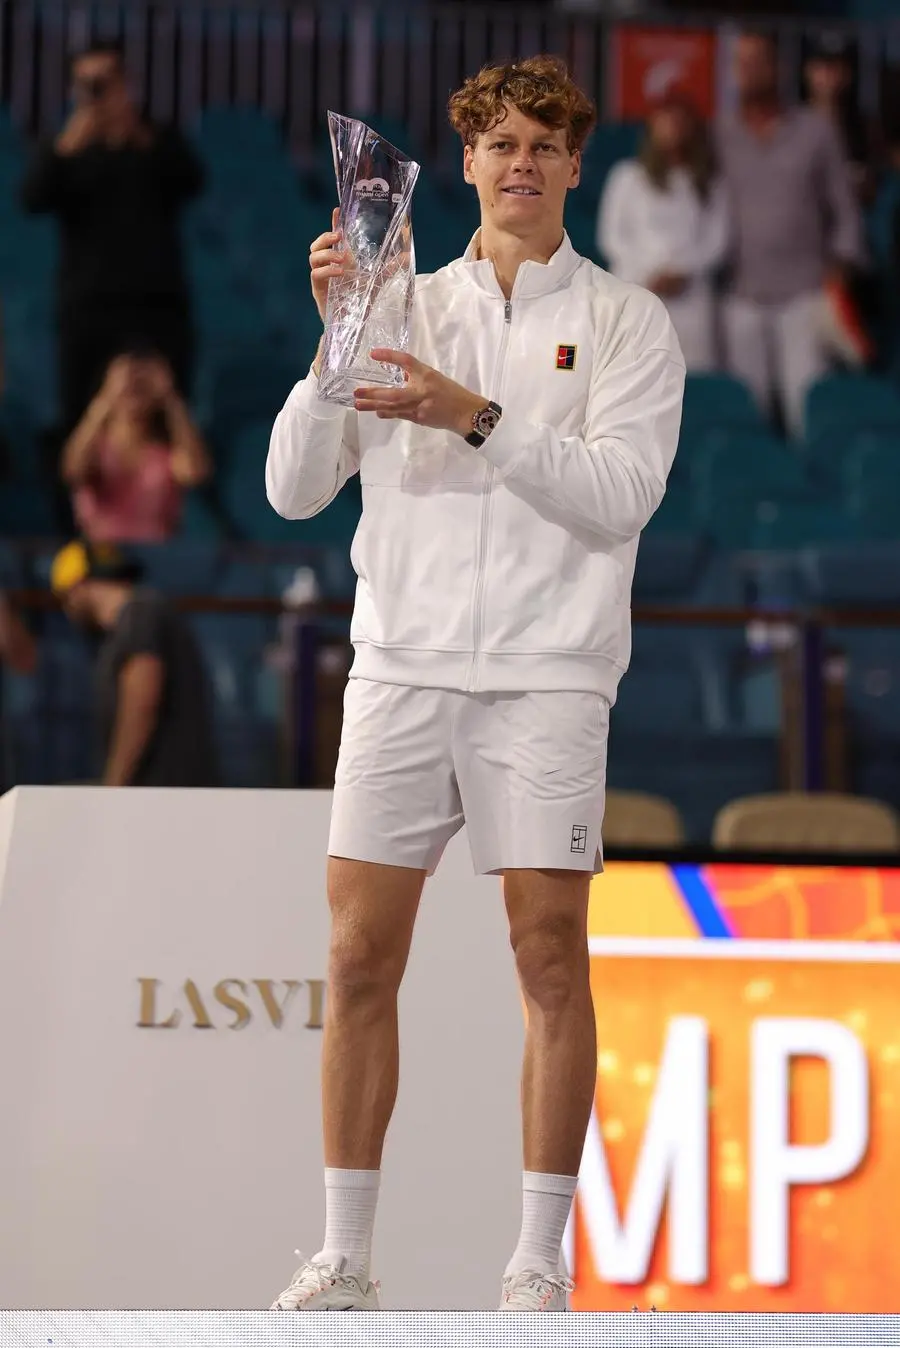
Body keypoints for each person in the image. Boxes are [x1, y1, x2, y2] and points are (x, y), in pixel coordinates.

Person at [266, 55, 685, 1312]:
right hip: (400, 666)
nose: (520, 164)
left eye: (544, 145)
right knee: (354, 961)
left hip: (550, 681)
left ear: (576, 162)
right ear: (463, 162)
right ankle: (343, 1256)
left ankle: (538, 1266)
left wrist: (475, 414)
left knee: (552, 958)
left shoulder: (627, 321)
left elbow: (622, 499)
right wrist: (333, 338)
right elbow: (292, 488)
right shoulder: (399, 299)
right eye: (498, 143)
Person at [20, 39, 204, 434]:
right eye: (88, 83)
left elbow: (194, 180)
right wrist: (67, 144)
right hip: (89, 308)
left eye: (106, 80)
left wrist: (135, 131)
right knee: (82, 420)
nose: (97, 92)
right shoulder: (68, 147)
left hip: (156, 306)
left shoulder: (154, 139)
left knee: (164, 425)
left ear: (126, 82)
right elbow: (31, 199)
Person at [716, 30, 864, 437]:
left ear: (777, 67)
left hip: (805, 294)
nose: (749, 71)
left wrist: (841, 268)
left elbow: (845, 211)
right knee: (748, 416)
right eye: (741, 63)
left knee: (807, 411)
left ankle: (815, 495)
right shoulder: (720, 135)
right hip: (741, 296)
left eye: (757, 61)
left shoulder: (815, 130)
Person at [50, 540, 219, 788]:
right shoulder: (141, 616)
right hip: (168, 792)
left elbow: (142, 696)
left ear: (78, 586)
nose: (67, 609)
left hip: (161, 793)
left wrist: (116, 782)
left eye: (64, 598)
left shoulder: (140, 613)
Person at [598, 90, 729, 371]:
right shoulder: (628, 176)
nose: (673, 129)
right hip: (638, 287)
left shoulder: (708, 182)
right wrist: (651, 273)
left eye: (681, 122)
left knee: (691, 376)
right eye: (666, 120)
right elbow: (612, 237)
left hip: (690, 295)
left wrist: (682, 272)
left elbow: (717, 241)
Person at [62, 349, 211, 543]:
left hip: (157, 561)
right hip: (101, 557)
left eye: (141, 387)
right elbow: (73, 469)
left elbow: (196, 472)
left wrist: (170, 397)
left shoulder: (165, 454)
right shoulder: (96, 448)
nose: (133, 390)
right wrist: (107, 397)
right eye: (127, 385)